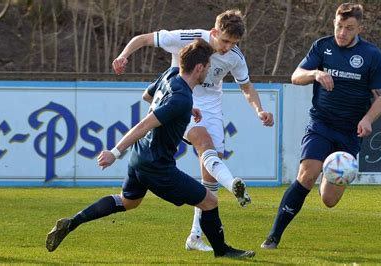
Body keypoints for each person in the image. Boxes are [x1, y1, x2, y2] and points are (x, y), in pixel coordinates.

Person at [45, 39, 255, 258]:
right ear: (200, 68)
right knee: (209, 201)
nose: (210, 70)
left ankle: (72, 222)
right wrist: (114, 153)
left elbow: (147, 96)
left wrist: (183, 109)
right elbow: (144, 124)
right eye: (208, 67)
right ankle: (222, 251)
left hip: (139, 157)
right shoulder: (181, 99)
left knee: (128, 201)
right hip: (158, 167)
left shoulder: (171, 74)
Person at [112, 9, 274, 252]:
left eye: (234, 43)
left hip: (212, 109)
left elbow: (246, 86)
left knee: (209, 180)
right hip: (183, 102)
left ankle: (195, 237)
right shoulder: (188, 38)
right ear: (214, 32)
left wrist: (259, 110)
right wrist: (123, 56)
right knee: (203, 141)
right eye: (225, 41)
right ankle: (234, 186)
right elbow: (144, 39)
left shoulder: (235, 57)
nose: (228, 47)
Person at [261, 3, 381, 249]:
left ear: (359, 28)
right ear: (334, 23)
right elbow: (296, 76)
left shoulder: (372, 55)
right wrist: (316, 74)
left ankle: (327, 175)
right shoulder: (322, 47)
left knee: (329, 200)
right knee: (307, 176)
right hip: (321, 124)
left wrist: (367, 119)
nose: (342, 32)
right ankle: (273, 236)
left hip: (349, 134)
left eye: (349, 28)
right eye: (339, 26)